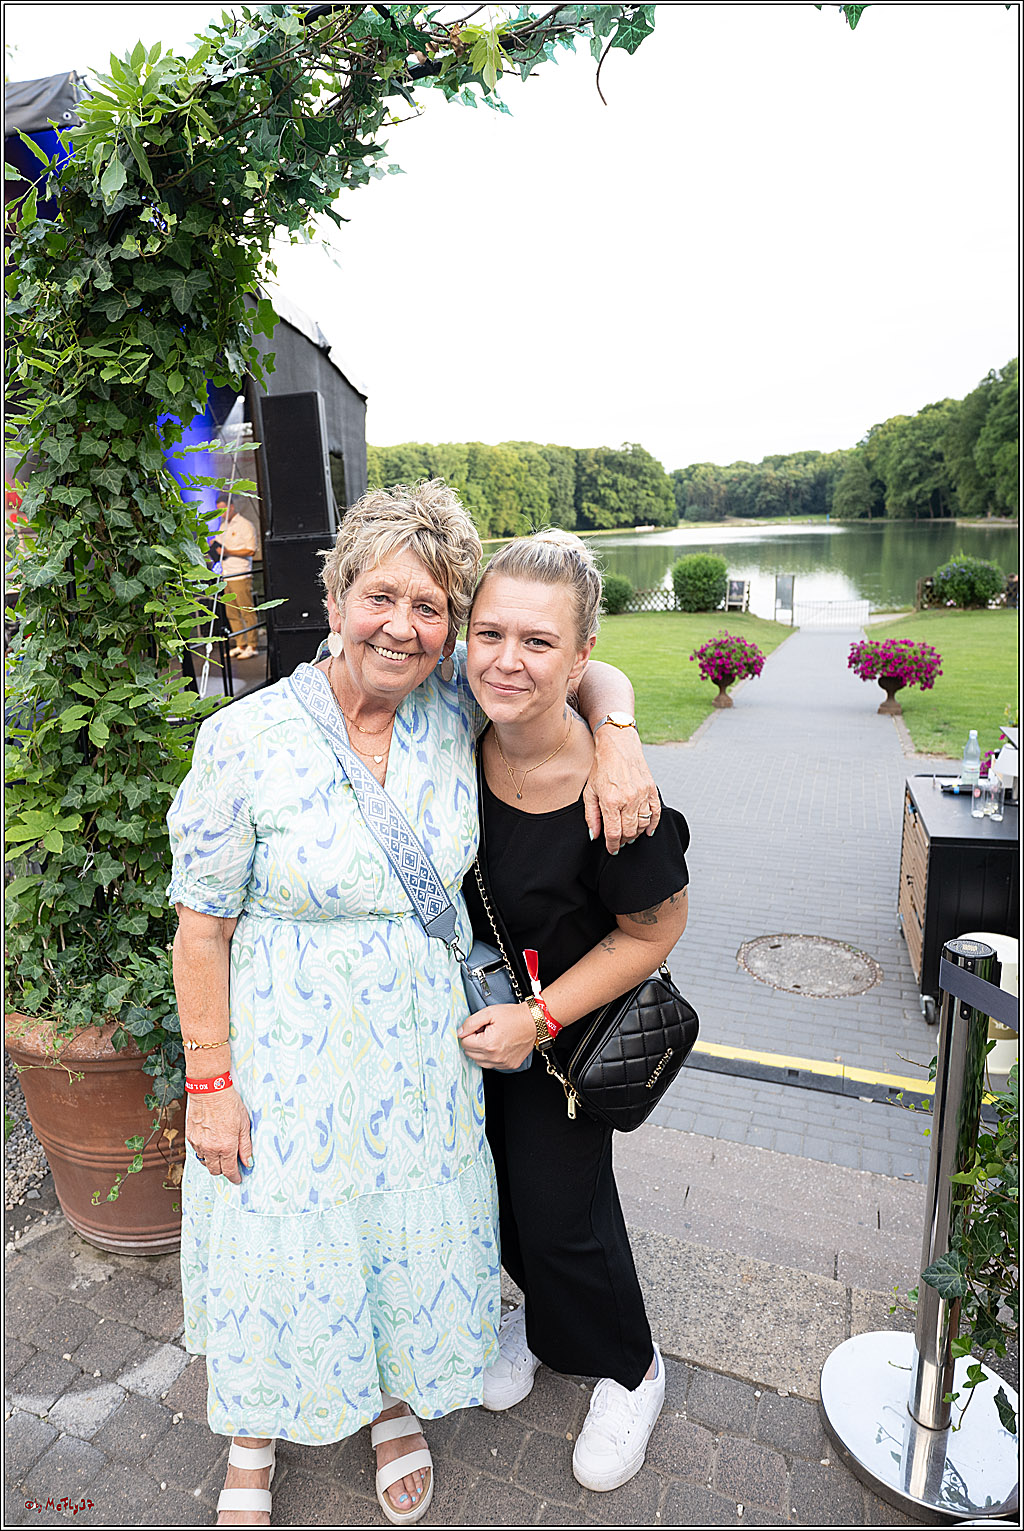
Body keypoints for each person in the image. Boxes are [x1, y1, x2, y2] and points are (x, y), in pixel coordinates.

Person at [167, 482, 662, 1527]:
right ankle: (251, 1435)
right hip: (286, 1056)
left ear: (448, 629)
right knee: (277, 1237)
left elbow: (579, 664)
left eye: (431, 607)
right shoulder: (245, 738)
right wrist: (209, 1084)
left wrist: (616, 734)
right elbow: (200, 929)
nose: (403, 625)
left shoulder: (452, 711)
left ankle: (390, 1404)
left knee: (389, 1238)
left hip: (419, 1061)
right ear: (337, 595)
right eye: (380, 597)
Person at [457, 529, 690, 1493]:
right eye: (489, 631)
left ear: (582, 654)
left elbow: (654, 933)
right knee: (491, 1201)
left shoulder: (615, 794)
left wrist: (538, 1018)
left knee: (563, 1214)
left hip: (564, 1041)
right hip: (470, 1028)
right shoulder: (452, 726)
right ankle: (542, 1321)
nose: (508, 659)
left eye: (540, 642)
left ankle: (631, 1367)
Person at [210, 494, 259, 659]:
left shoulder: (245, 525)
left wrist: (227, 551)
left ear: (231, 507)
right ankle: (240, 643)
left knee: (246, 610)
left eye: (223, 509)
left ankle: (252, 645)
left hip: (240, 573)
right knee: (231, 612)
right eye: (218, 510)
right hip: (226, 574)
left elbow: (251, 550)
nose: (221, 513)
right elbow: (218, 548)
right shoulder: (223, 525)